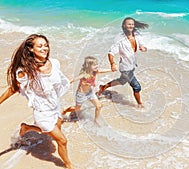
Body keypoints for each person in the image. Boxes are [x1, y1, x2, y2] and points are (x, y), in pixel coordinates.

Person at [0, 34, 73, 169]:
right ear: (31, 49)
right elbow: (13, 89)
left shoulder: (54, 63)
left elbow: (58, 82)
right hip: (42, 111)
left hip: (54, 105)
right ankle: (69, 165)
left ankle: (27, 128)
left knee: (52, 130)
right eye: (40, 46)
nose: (44, 48)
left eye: (46, 45)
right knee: (62, 140)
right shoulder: (26, 71)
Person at [96, 17, 148, 108]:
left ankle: (104, 87)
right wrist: (112, 63)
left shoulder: (137, 35)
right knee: (137, 87)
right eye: (129, 24)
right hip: (125, 68)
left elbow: (142, 44)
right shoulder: (120, 39)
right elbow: (111, 52)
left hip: (132, 65)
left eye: (132, 24)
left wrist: (143, 48)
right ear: (124, 25)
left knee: (122, 81)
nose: (131, 26)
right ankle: (140, 104)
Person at [64, 56, 111, 123]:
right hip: (81, 94)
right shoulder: (84, 74)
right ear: (88, 66)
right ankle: (65, 110)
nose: (97, 66)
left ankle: (96, 120)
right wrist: (65, 84)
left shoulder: (94, 72)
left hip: (90, 93)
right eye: (94, 65)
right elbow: (74, 80)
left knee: (99, 106)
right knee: (77, 109)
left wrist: (111, 70)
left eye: (97, 64)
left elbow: (101, 71)